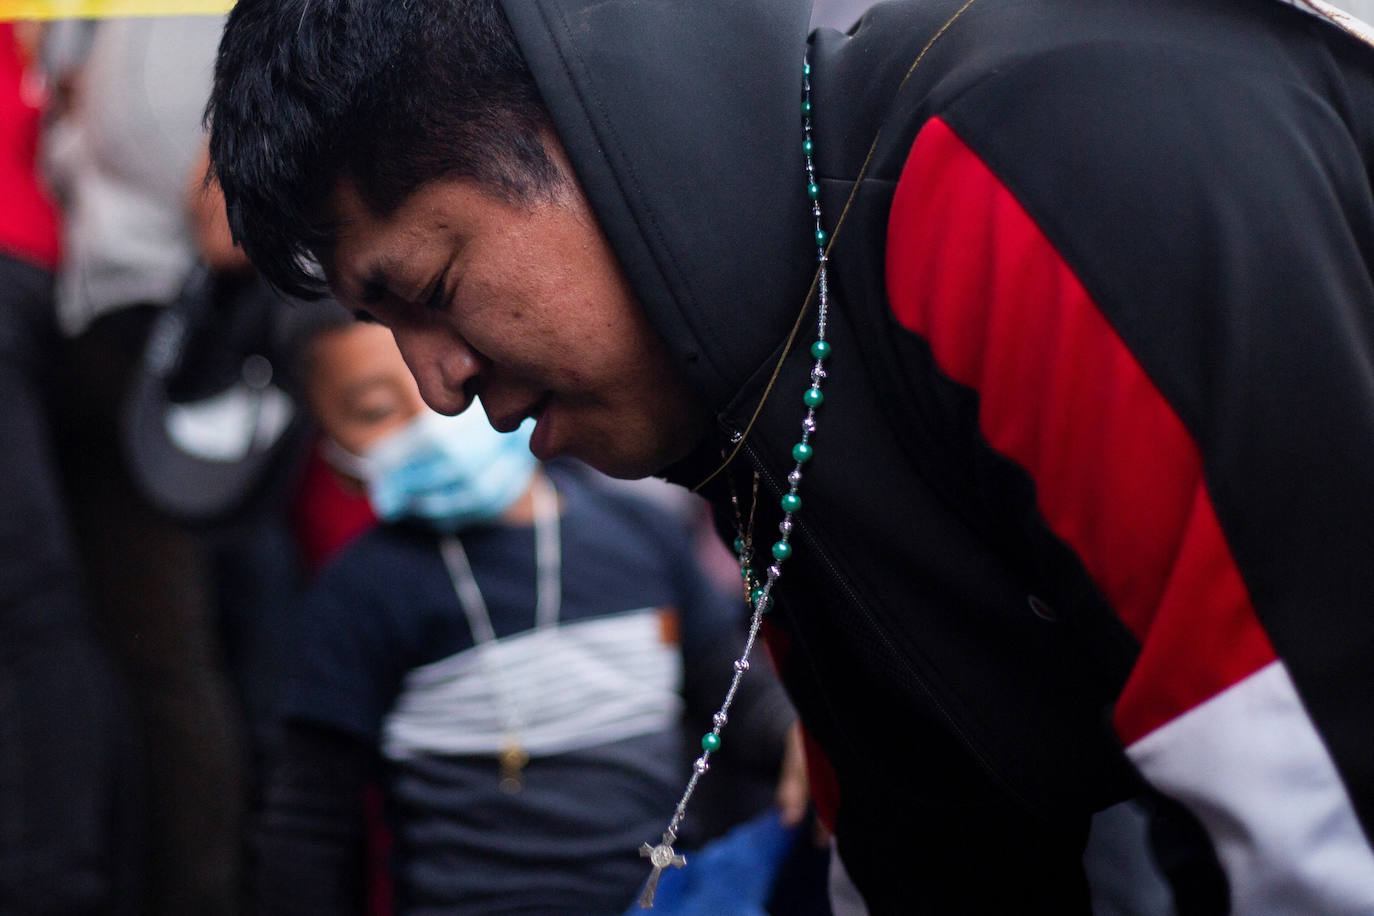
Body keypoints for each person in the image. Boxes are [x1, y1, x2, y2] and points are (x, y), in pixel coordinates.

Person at [206, 0, 1374, 911]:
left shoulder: (1020, 165)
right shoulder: (775, 408)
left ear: (589, 122)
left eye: (434, 290)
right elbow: (928, 862)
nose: (438, 386)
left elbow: (1324, 839)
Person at [255, 311, 801, 915]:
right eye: (377, 409)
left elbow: (734, 698)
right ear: (338, 462)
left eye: (442, 386)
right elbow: (309, 818)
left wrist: (798, 741)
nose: (429, 421)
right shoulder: (362, 593)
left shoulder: (641, 535)